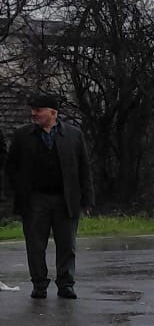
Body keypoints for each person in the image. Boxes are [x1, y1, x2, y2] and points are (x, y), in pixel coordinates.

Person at [4, 92, 94, 299]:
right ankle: (39, 284)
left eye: (38, 110)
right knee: (35, 244)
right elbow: (11, 167)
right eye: (33, 110)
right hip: (35, 198)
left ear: (53, 112)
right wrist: (17, 190)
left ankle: (66, 284)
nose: (33, 114)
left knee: (67, 244)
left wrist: (87, 199)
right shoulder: (23, 136)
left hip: (66, 199)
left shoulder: (73, 135)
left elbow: (84, 169)